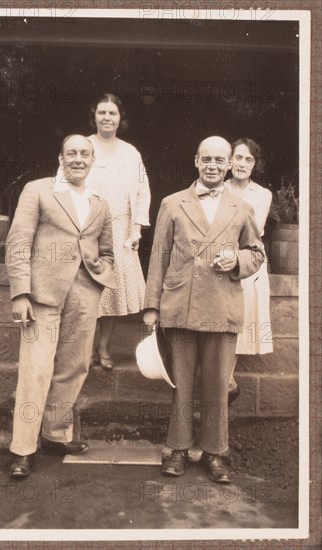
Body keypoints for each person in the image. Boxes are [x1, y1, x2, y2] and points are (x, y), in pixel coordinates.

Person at [143, 136, 264, 483]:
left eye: (219, 161)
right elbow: (159, 257)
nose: (212, 166)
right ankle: (177, 449)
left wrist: (237, 260)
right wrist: (152, 306)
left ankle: (215, 453)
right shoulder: (172, 203)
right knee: (180, 383)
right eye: (206, 159)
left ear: (228, 166)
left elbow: (256, 252)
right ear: (196, 161)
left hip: (222, 305)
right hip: (180, 304)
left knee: (216, 386)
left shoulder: (241, 207)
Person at [5, 135, 115, 478]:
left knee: (75, 366)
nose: (78, 159)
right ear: (60, 157)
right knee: (35, 371)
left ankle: (54, 434)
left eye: (85, 154)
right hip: (42, 297)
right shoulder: (38, 190)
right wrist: (21, 293)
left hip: (85, 296)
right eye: (72, 153)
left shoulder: (101, 202)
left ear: (92, 160)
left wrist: (102, 272)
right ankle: (23, 449)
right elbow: (18, 241)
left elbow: (108, 249)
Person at [86, 93, 151, 370]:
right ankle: (85, 347)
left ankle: (104, 347)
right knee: (87, 289)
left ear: (120, 117)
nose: (107, 118)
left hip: (121, 228)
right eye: (102, 112)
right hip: (87, 228)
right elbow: (64, 186)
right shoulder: (83, 146)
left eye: (112, 113)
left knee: (111, 291)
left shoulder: (130, 151)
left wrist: (136, 229)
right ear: (95, 115)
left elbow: (142, 192)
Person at [225, 138, 273, 402]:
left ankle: (224, 385)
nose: (242, 164)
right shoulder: (218, 188)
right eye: (238, 157)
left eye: (248, 160)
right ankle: (227, 385)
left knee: (240, 322)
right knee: (222, 323)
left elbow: (254, 229)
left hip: (248, 262)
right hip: (219, 261)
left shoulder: (262, 195)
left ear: (255, 165)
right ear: (229, 159)